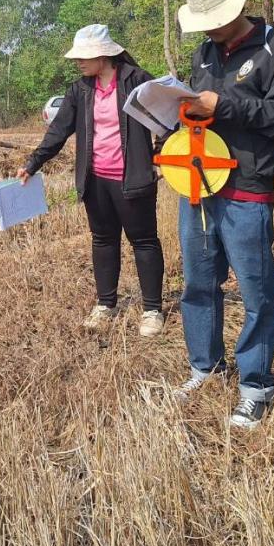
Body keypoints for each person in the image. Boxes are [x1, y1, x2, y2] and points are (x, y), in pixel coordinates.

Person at [173, 0, 274, 429]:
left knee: (256, 291)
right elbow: (198, 108)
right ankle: (204, 368)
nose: (209, 30)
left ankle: (255, 386)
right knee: (198, 283)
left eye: (216, 20)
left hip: (247, 186)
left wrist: (221, 105)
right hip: (197, 184)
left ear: (238, 9)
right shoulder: (204, 51)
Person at [17, 24, 167, 337]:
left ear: (104, 54)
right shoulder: (80, 90)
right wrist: (34, 163)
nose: (78, 62)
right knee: (102, 239)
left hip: (133, 178)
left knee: (143, 241)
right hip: (95, 179)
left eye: (84, 56)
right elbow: (59, 130)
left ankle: (152, 309)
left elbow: (168, 119)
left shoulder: (138, 80)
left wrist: (159, 156)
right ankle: (105, 304)